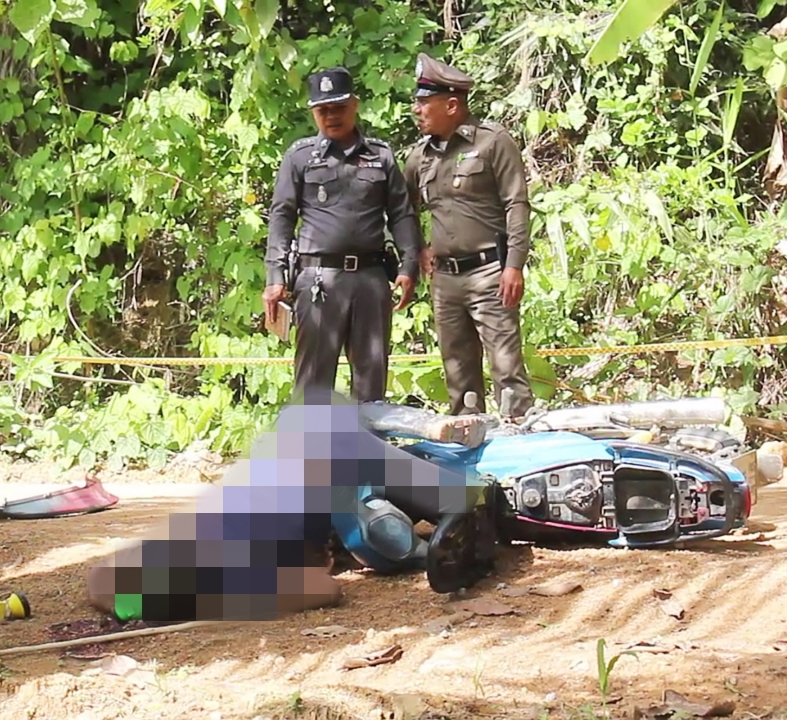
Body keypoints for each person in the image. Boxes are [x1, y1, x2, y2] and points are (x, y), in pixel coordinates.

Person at [84, 387, 486, 623]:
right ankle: (461, 498)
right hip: (311, 500)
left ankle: (455, 490)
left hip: (291, 484)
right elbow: (322, 588)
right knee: (324, 424)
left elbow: (102, 583)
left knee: (319, 418)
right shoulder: (228, 579)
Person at [263, 66, 424, 404]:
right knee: (313, 383)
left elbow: (401, 213)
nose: (331, 116)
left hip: (370, 279)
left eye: (338, 107)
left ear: (354, 105)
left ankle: (365, 439)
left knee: (371, 382)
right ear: (313, 112)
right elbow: (282, 217)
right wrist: (275, 277)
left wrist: (409, 265)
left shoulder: (380, 156)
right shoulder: (300, 157)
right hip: (319, 281)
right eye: (322, 110)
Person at [402, 53, 536, 418]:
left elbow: (517, 204)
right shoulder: (420, 156)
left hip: (490, 273)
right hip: (445, 280)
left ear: (451, 105)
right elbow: (403, 208)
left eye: (424, 102)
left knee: (507, 370)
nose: (417, 110)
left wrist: (514, 265)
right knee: (458, 373)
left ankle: (518, 434)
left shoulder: (493, 142)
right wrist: (418, 248)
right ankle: (467, 441)